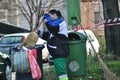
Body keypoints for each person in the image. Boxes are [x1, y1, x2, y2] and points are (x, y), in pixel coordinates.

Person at [37, 9, 69, 80]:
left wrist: (46, 15)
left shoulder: (60, 22)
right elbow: (47, 36)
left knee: (61, 73)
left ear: (55, 15)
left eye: (50, 15)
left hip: (60, 51)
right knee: (60, 72)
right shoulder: (54, 28)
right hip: (57, 52)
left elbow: (50, 26)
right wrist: (38, 32)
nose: (49, 17)